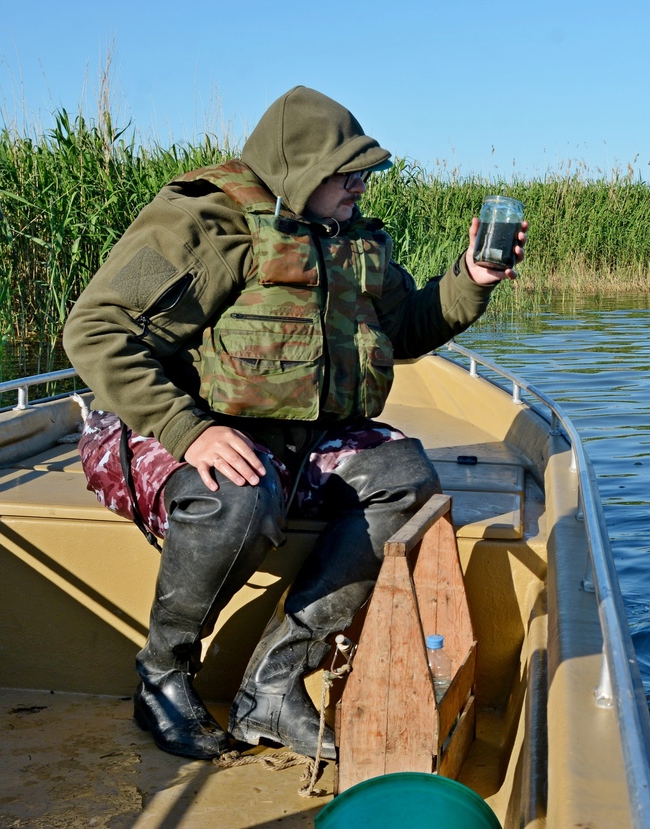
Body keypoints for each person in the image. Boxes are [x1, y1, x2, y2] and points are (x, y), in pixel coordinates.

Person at [62, 86, 526, 760]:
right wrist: (190, 430)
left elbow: (406, 327)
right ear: (300, 170)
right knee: (239, 495)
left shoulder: (352, 239)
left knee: (404, 475)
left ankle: (271, 686)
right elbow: (95, 330)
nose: (362, 184)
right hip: (174, 421)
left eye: (367, 171)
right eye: (348, 173)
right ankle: (162, 673)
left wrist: (472, 276)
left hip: (297, 435)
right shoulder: (209, 223)